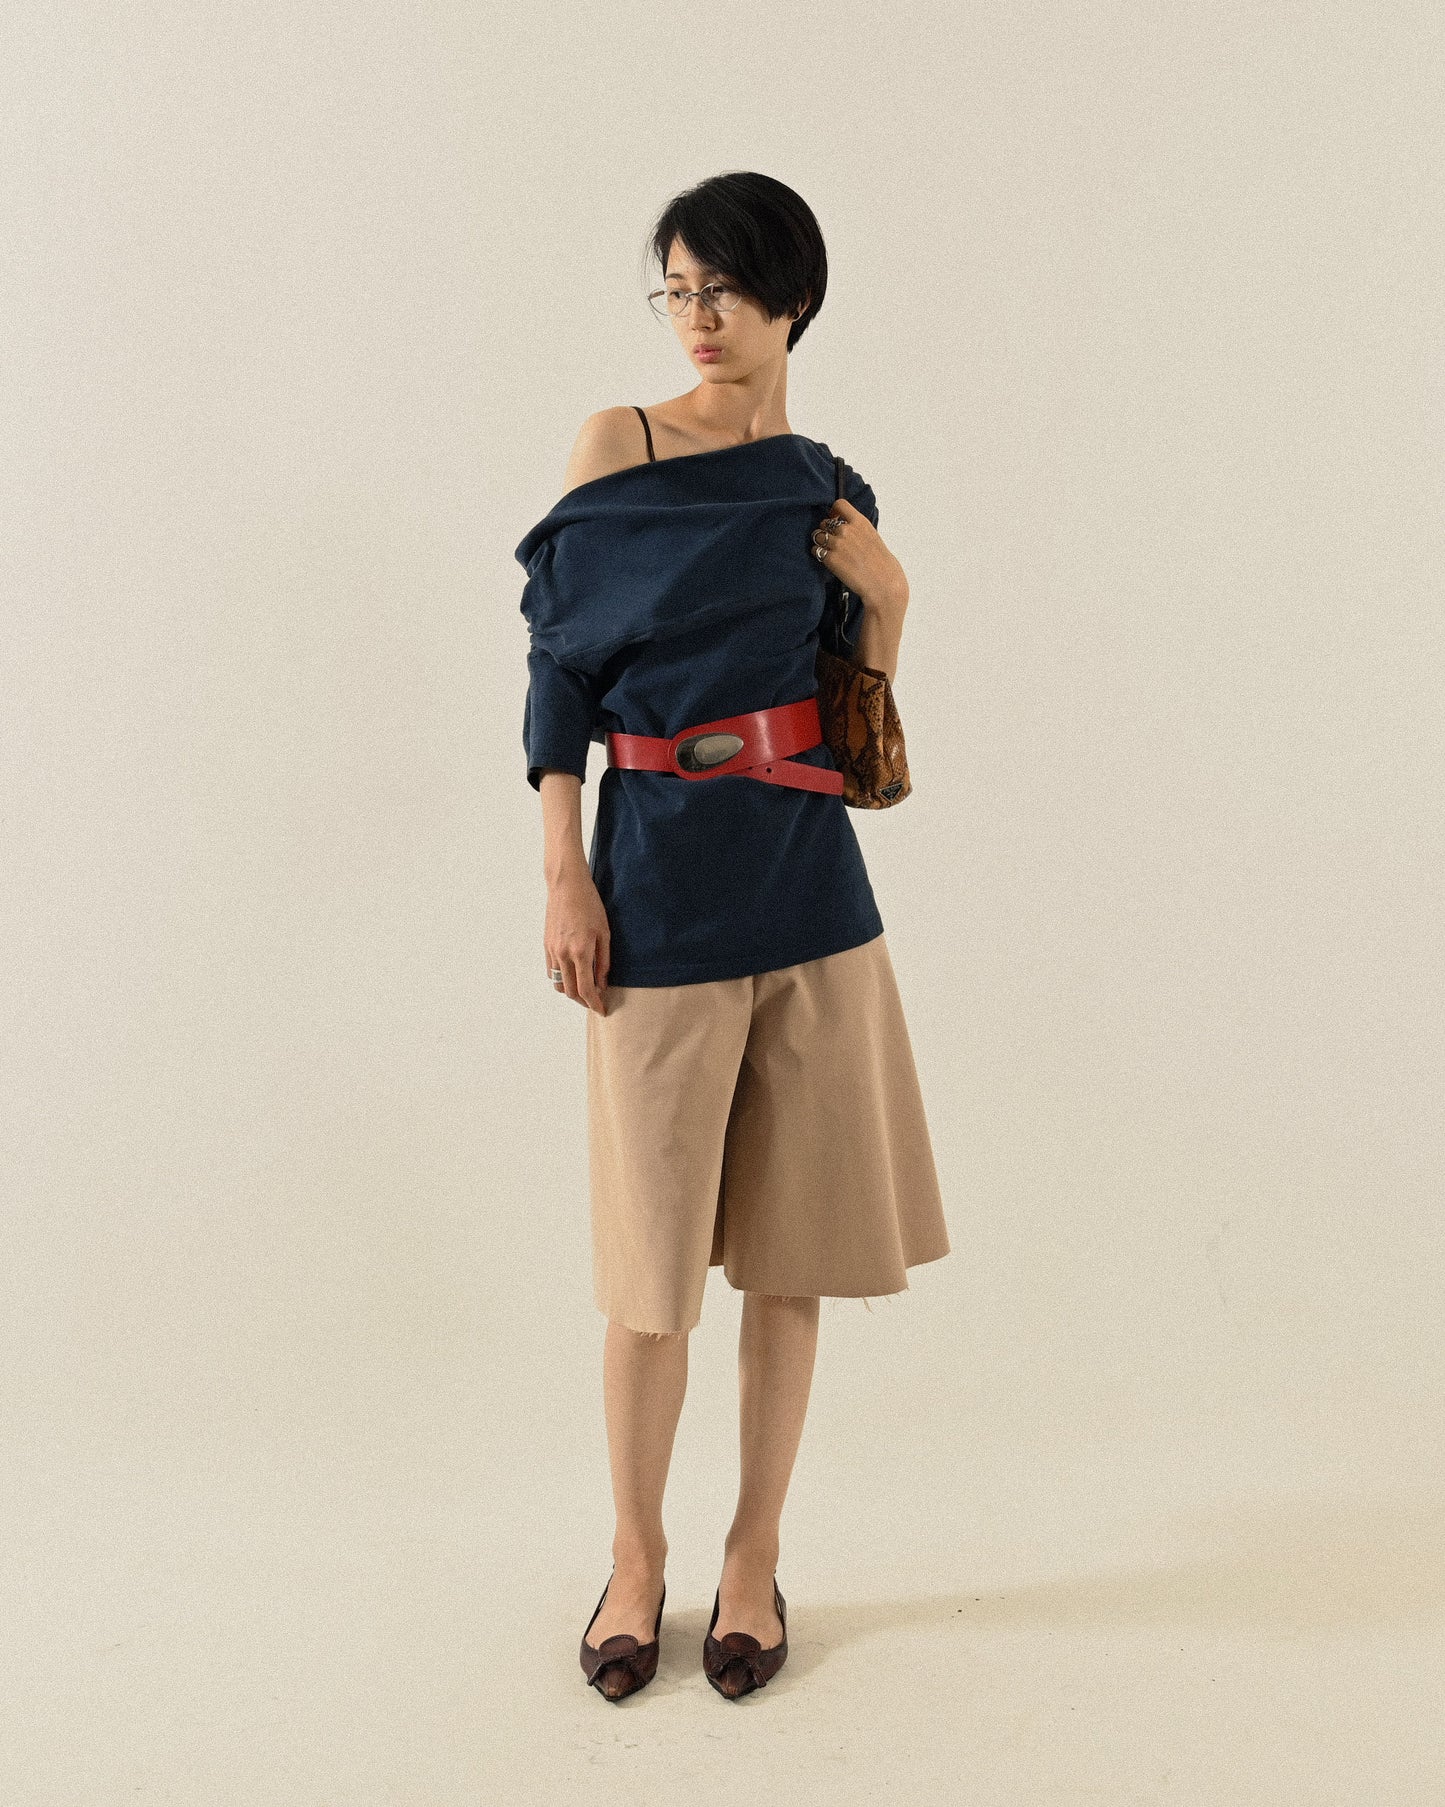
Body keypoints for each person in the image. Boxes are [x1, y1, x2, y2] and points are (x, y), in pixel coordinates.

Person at [514, 172, 951, 1701]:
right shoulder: (616, 448)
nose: (697, 319)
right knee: (649, 1281)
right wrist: (563, 874)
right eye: (678, 290)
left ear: (792, 301)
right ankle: (635, 1560)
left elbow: (861, 756)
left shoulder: (827, 492)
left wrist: (887, 605)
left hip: (810, 902)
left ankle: (752, 1555)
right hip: (654, 898)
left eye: (725, 290)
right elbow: (558, 675)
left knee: (788, 1262)